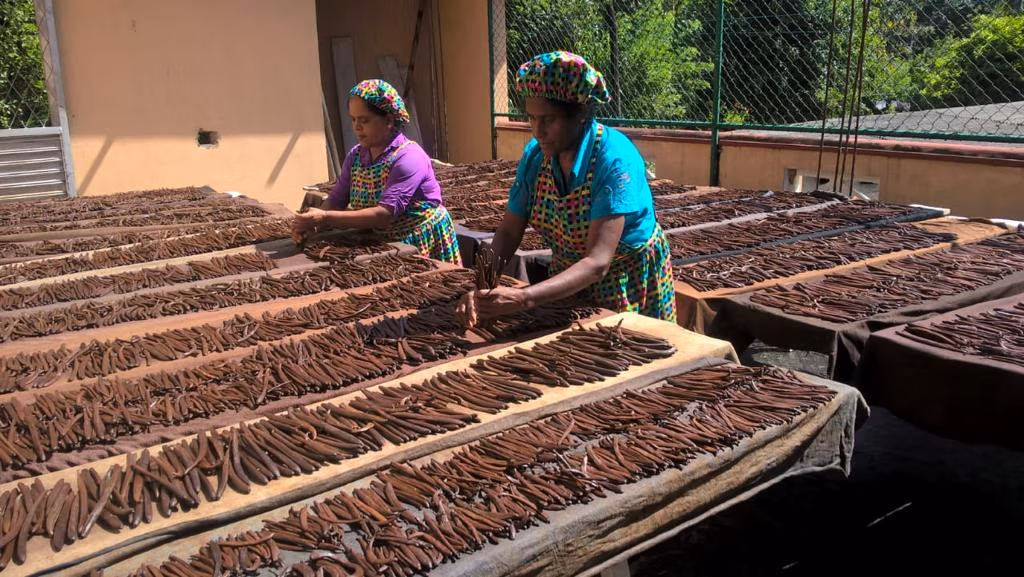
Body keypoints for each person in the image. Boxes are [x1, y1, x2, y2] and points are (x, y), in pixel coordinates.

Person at [456, 51, 676, 326]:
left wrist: (524, 298)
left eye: (549, 119)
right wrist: (483, 287)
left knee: (627, 353)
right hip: (568, 274)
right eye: (531, 119)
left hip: (625, 277)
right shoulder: (536, 157)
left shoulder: (614, 160)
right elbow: (510, 230)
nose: (538, 131)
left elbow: (597, 262)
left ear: (581, 113)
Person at [293, 79, 461, 264]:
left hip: (420, 239)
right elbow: (337, 199)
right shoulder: (356, 156)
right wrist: (313, 224)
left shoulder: (409, 158)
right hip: (380, 239)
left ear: (388, 120)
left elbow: (384, 215)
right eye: (353, 119)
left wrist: (324, 217)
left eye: (364, 120)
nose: (357, 127)